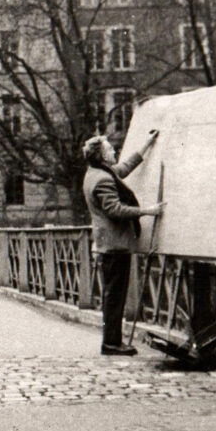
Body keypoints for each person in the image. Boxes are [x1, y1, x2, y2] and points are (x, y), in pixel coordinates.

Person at [82, 131, 164, 356]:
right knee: (114, 296)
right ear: (102, 156)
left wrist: (146, 145)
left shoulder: (98, 173)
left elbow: (124, 168)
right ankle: (111, 343)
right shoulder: (102, 179)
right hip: (114, 244)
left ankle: (112, 341)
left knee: (112, 294)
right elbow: (114, 209)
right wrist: (146, 211)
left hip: (108, 244)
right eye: (110, 150)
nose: (114, 151)